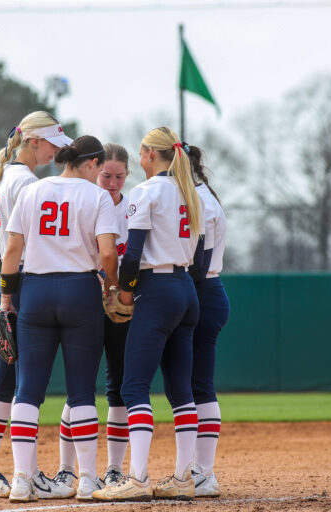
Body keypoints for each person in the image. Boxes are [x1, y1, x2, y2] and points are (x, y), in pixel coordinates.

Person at [0, 135, 120, 502]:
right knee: (81, 390)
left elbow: (13, 251)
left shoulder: (33, 191)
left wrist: (7, 299)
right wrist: (113, 287)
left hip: (34, 291)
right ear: (94, 164)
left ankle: (22, 479)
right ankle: (86, 479)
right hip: (80, 291)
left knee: (27, 391)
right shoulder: (96, 195)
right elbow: (109, 253)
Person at [0, 111, 76, 500]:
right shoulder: (28, 182)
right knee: (27, 385)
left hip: (5, 283)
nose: (56, 151)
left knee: (6, 383)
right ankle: (23, 475)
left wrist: (6, 281)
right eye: (52, 144)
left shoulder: (0, 179)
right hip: (25, 283)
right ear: (34, 142)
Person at [93, 126, 202, 502]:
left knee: (133, 387)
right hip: (186, 289)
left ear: (148, 154)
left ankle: (137, 478)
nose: (138, 159)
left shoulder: (146, 192)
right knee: (180, 390)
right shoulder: (189, 192)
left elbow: (134, 256)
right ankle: (185, 478)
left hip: (156, 291)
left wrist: (123, 292)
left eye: (141, 153)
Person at [56, 143, 131, 490]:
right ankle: (66, 470)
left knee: (118, 386)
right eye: (106, 175)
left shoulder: (133, 207)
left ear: (127, 175)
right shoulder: (83, 200)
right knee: (80, 387)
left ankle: (115, 469)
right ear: (95, 170)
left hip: (118, 305)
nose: (112, 182)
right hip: (85, 300)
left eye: (119, 176)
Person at [187, 144, 229, 497]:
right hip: (209, 292)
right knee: (197, 384)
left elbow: (197, 265)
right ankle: (201, 471)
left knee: (196, 385)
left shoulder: (197, 200)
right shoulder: (203, 195)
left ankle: (202, 472)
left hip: (200, 291)